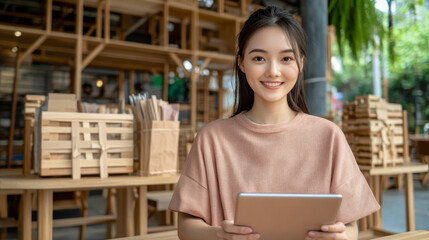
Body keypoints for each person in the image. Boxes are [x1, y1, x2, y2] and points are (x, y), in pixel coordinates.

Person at [169, 6, 380, 240]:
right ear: (241, 63)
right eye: (259, 58)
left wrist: (343, 237)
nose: (273, 71)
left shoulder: (329, 136)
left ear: (300, 63)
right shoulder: (212, 139)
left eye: (286, 58)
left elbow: (351, 228)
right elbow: (186, 227)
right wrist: (218, 235)